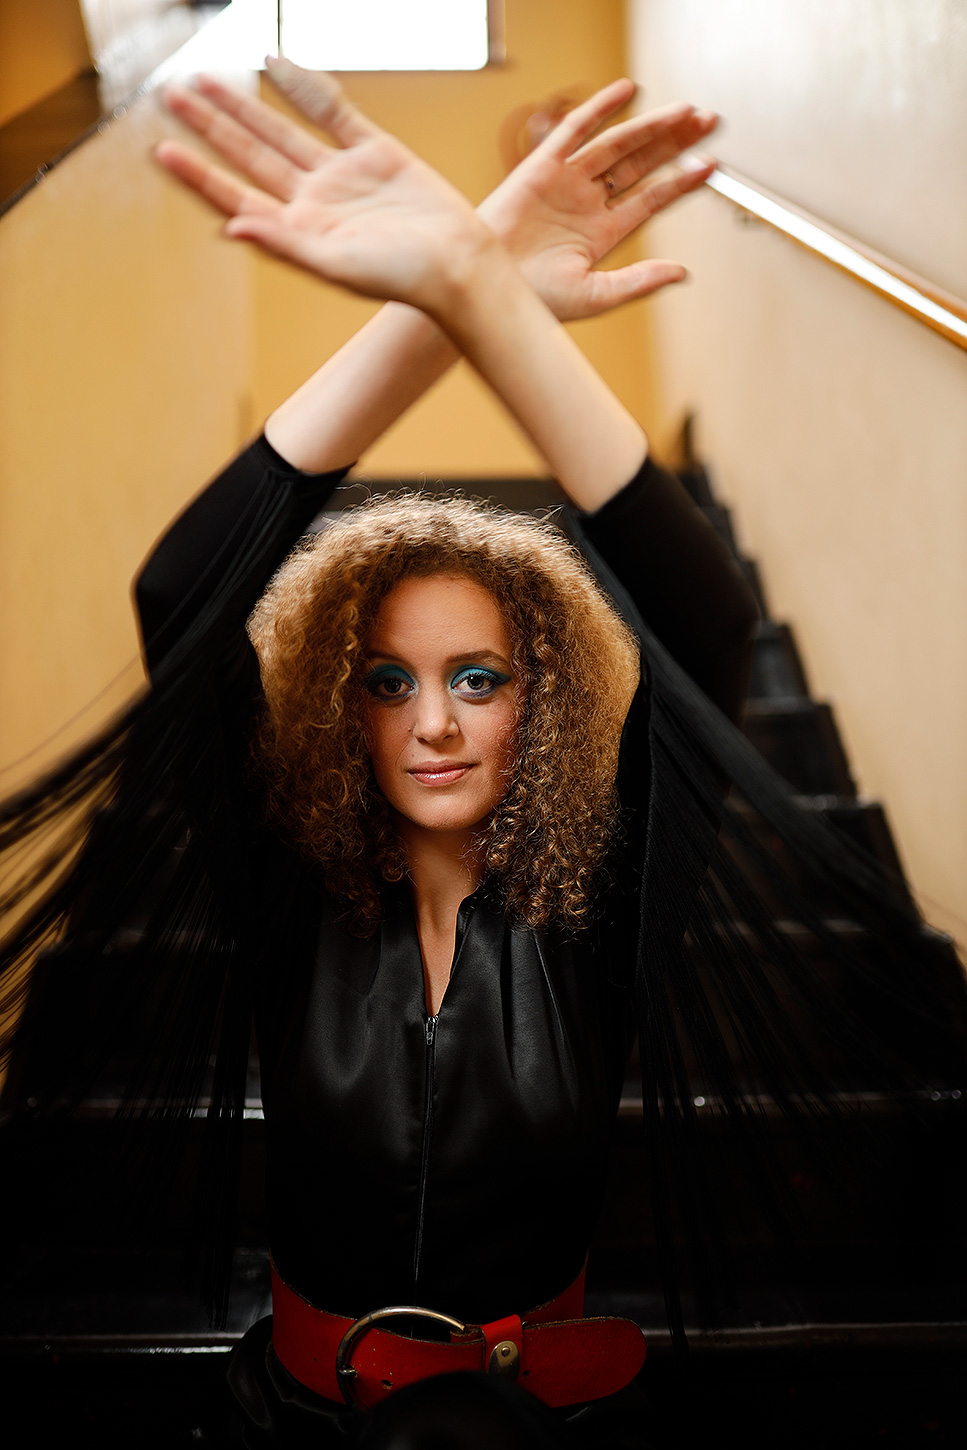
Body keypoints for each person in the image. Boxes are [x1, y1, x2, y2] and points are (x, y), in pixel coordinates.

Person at [1, 57, 959, 1450]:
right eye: (388, 682)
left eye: (477, 678)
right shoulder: (284, 886)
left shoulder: (607, 897)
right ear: (340, 706)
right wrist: (443, 297)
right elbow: (182, 598)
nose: (434, 722)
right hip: (297, 1421)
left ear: (539, 700)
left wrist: (491, 304)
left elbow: (705, 621)